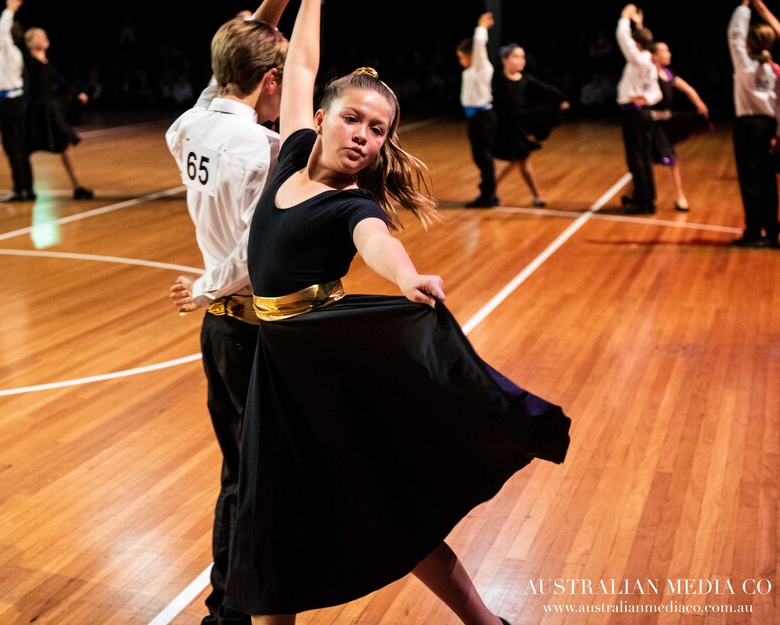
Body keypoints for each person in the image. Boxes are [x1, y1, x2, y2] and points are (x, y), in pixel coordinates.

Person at [223, 1, 571, 624]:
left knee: (385, 507)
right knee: (272, 521)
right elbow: (301, 64)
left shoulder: (352, 207)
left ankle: (487, 623)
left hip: (321, 371)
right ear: (323, 119)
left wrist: (408, 275)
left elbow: (380, 244)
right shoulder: (292, 148)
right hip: (276, 370)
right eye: (352, 119)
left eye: (377, 129)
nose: (362, 134)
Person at [165, 3, 290, 625]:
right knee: (254, 479)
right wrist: (207, 285)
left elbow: (227, 73)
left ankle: (228, 606)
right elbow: (249, 251)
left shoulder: (189, 127)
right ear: (270, 81)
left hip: (219, 333)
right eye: (282, 79)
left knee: (238, 473)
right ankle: (232, 609)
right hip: (247, 324)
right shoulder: (260, 146)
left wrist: (266, 17)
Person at [621, 40, 711, 212]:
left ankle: (630, 193)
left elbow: (688, 89)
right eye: (664, 51)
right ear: (654, 56)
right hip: (651, 123)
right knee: (660, 159)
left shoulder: (669, 75)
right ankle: (679, 197)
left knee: (648, 159)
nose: (668, 54)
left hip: (665, 123)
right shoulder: (649, 73)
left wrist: (700, 104)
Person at [727, 0, 780, 248]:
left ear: (750, 44)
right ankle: (771, 231)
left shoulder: (745, 66)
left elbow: (735, 35)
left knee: (750, 180)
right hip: (769, 126)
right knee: (769, 180)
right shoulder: (775, 70)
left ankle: (753, 231)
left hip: (748, 125)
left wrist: (744, 7)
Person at [491, 43, 570, 207]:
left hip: (520, 127)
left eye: (522, 57)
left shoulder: (526, 79)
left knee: (519, 161)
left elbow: (547, 90)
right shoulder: (497, 80)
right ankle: (533, 195)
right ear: (505, 60)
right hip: (505, 128)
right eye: (516, 56)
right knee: (517, 162)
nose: (521, 60)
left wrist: (562, 99)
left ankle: (493, 190)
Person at [23, 26, 94, 200]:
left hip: (49, 111)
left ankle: (77, 186)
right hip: (36, 110)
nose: (44, 37)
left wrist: (77, 93)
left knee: (63, 148)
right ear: (30, 43)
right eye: (39, 36)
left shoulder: (46, 64)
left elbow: (61, 82)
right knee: (26, 149)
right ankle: (26, 187)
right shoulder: (30, 63)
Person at [615, 4, 662, 215]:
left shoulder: (637, 58)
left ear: (637, 44)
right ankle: (648, 198)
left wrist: (625, 17)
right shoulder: (650, 62)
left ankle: (641, 201)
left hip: (632, 113)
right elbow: (657, 92)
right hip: (642, 112)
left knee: (636, 158)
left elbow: (623, 38)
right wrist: (647, 99)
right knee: (643, 156)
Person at [0, 0, 34, 203]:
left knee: (14, 147)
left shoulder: (10, 53)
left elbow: (4, 30)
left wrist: (10, 10)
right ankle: (26, 188)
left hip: (11, 103)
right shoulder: (1, 56)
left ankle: (21, 189)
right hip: (6, 103)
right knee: (16, 147)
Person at [456, 12, 499, 208]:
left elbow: (480, 46)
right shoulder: (469, 71)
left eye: (461, 57)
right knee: (480, 157)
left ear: (470, 54)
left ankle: (488, 195)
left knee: (484, 157)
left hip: (483, 117)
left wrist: (481, 28)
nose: (460, 61)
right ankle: (489, 193)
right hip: (475, 117)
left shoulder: (481, 67)